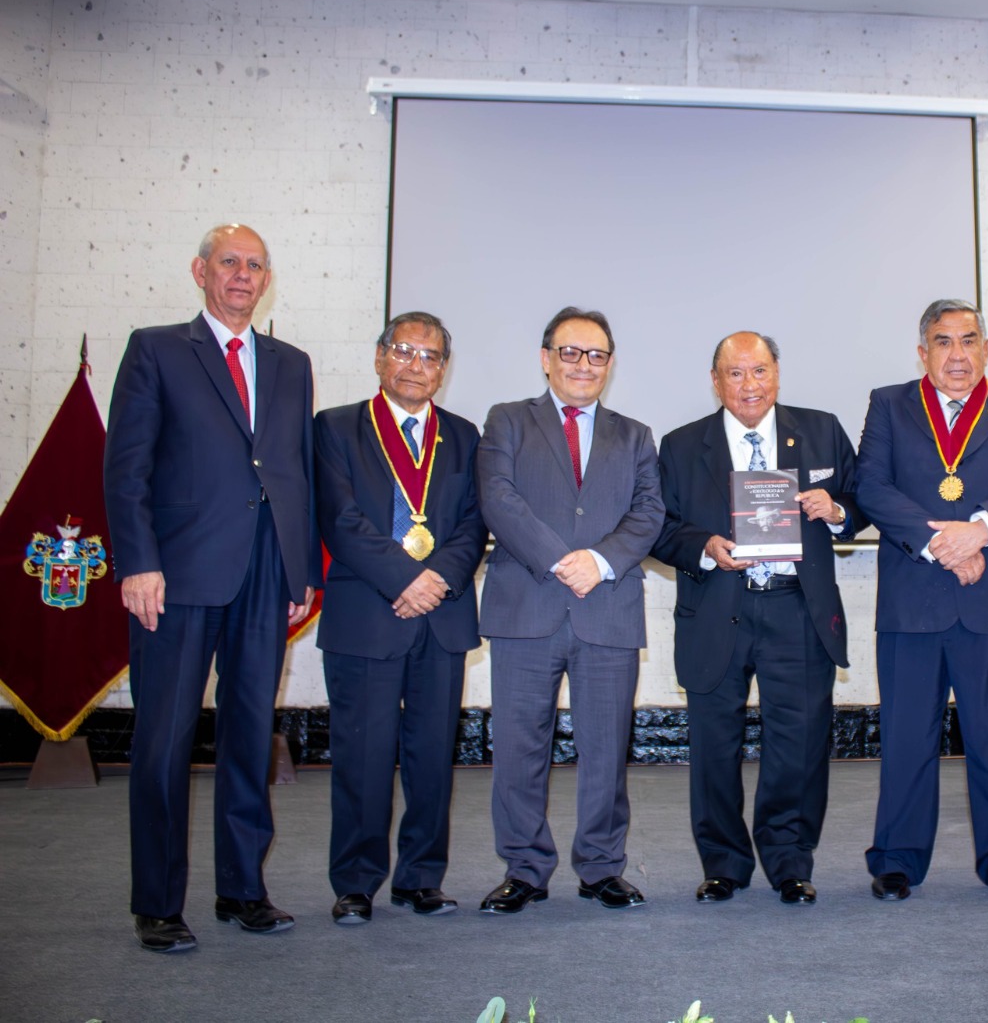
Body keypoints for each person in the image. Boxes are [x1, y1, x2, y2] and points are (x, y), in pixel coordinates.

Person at [103, 223, 319, 952]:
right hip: (176, 574)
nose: (243, 276)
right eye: (229, 263)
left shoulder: (291, 363)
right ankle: (158, 902)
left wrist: (300, 570)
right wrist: (137, 561)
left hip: (266, 575)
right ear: (201, 271)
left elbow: (292, 471)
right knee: (163, 741)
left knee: (250, 735)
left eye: (256, 265)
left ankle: (242, 890)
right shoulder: (158, 348)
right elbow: (125, 466)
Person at [856, 299, 988, 904]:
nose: (958, 354)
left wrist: (982, 530)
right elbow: (871, 487)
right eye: (943, 342)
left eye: (970, 340)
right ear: (923, 353)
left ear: (987, 349)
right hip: (912, 601)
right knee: (908, 736)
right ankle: (896, 861)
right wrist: (940, 540)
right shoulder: (890, 403)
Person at [654, 332, 862, 907]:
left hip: (797, 607)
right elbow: (659, 526)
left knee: (797, 743)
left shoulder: (820, 430)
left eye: (760, 371)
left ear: (777, 374)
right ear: (716, 381)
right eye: (736, 373)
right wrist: (704, 545)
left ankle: (790, 862)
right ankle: (723, 864)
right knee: (714, 746)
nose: (750, 385)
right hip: (718, 604)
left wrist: (838, 509)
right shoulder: (679, 445)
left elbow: (863, 498)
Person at [475, 307, 665, 913]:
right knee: (518, 747)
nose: (584, 365)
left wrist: (600, 562)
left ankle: (602, 867)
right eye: (570, 352)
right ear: (545, 357)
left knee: (607, 750)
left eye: (597, 355)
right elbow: (497, 499)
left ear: (610, 364)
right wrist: (562, 560)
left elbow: (648, 513)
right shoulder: (507, 420)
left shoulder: (634, 435)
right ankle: (525, 868)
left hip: (607, 608)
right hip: (526, 606)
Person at [313, 311, 488, 925]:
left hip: (440, 614)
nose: (417, 365)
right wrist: (405, 578)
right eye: (405, 351)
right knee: (362, 754)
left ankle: (421, 879)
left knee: (432, 754)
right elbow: (339, 518)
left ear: (444, 367)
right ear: (381, 357)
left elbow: (474, 522)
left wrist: (435, 580)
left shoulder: (465, 435)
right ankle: (356, 882)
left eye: (431, 355)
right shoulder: (336, 428)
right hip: (369, 611)